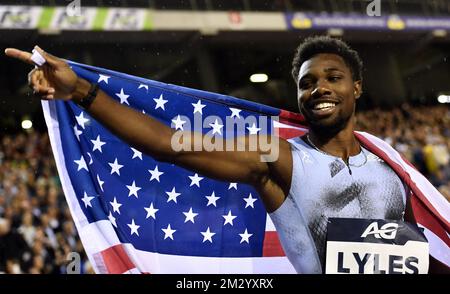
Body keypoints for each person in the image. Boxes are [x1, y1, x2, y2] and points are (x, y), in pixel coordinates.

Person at [5, 36, 447, 273]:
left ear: (357, 88)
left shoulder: (388, 167)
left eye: (333, 77)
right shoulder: (278, 158)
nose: (320, 89)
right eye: (308, 83)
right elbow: (170, 145)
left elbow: (407, 257)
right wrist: (82, 90)